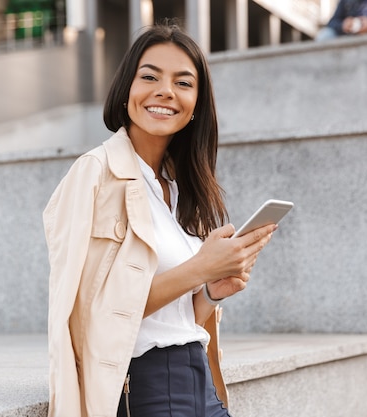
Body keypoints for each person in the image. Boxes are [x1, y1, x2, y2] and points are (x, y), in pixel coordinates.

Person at [43, 23, 277, 417]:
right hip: (147, 386)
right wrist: (199, 267)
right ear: (126, 90)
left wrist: (211, 290)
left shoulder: (178, 189)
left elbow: (175, 319)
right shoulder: (95, 174)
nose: (166, 91)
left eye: (183, 83)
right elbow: (88, 317)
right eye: (149, 76)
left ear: (196, 105)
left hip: (199, 377)